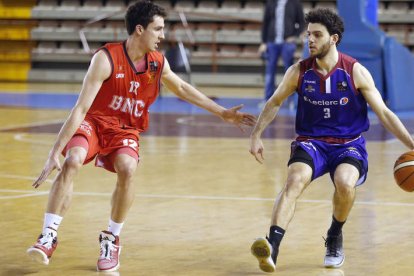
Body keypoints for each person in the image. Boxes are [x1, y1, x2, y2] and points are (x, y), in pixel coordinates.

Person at [26, 0, 256, 272]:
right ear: (139, 29)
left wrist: (222, 112)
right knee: (72, 159)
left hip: (125, 128)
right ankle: (49, 236)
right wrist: (55, 150)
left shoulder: (157, 63)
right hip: (95, 122)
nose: (162, 35)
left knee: (128, 167)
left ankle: (111, 238)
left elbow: (181, 88)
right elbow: (81, 108)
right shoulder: (105, 58)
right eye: (157, 29)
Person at [249, 8, 414, 273]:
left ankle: (335, 235)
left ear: (333, 38)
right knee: (294, 180)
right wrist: (256, 134)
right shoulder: (298, 71)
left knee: (345, 183)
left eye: (317, 35)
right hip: (312, 142)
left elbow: (384, 112)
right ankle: (272, 247)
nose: (309, 40)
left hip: (349, 143)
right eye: (308, 35)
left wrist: (412, 145)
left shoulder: (354, 71)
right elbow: (274, 102)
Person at [259, 0, 305, 108]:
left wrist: (294, 36)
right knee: (270, 73)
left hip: (287, 43)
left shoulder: (295, 3)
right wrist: (263, 42)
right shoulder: (270, 3)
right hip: (271, 42)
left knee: (290, 73)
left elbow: (302, 23)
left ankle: (291, 101)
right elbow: (265, 23)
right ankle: (267, 100)